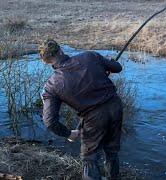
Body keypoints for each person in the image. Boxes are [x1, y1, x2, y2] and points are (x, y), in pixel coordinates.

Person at [39, 39, 123, 180]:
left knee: (89, 158)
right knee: (112, 150)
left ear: (45, 61)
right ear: (61, 50)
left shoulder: (51, 85)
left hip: (93, 118)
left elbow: (49, 121)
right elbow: (117, 67)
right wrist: (108, 62)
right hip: (115, 107)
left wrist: (68, 134)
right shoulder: (90, 56)